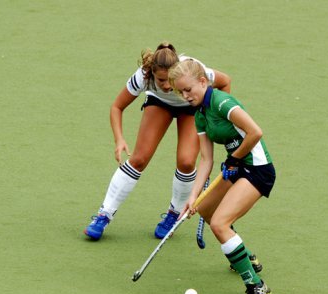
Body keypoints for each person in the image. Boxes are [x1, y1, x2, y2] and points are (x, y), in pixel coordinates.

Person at [84, 42, 231, 240]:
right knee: (139, 159)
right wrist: (119, 139)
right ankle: (104, 215)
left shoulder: (193, 69)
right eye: (161, 80)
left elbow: (225, 82)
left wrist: (215, 119)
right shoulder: (143, 76)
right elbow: (117, 107)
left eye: (171, 79)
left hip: (190, 106)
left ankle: (173, 214)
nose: (167, 85)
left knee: (187, 162)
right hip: (159, 103)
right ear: (152, 73)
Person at [169, 59, 276, 294]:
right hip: (236, 167)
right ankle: (246, 257)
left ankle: (256, 285)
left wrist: (235, 159)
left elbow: (255, 132)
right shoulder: (200, 114)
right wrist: (193, 197)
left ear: (202, 82)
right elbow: (206, 160)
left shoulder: (222, 102)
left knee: (219, 224)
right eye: (180, 92)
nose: (185, 96)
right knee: (206, 209)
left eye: (188, 89)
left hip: (257, 168)